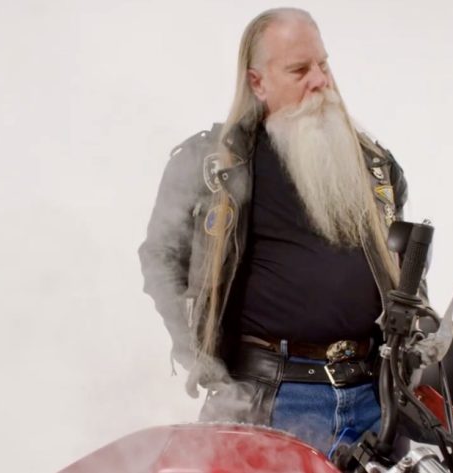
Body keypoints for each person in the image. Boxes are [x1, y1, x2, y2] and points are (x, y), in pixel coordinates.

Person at [138, 8, 410, 456]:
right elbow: (160, 257)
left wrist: (418, 328)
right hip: (272, 400)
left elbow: (401, 261)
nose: (320, 81)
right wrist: (198, 355)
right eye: (299, 70)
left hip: (374, 398)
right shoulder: (212, 168)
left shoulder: (374, 165)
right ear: (258, 83)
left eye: (323, 64)